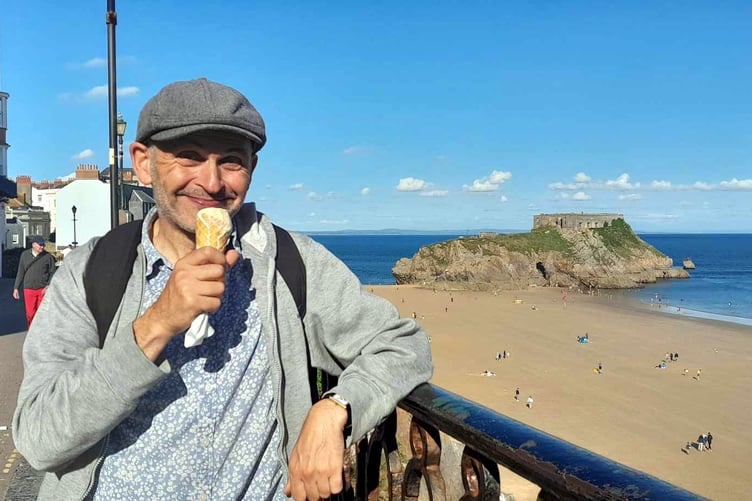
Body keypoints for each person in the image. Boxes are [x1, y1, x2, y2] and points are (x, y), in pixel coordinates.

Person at [13, 78, 433, 501]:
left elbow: (403, 346)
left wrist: (336, 408)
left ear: (253, 167)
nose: (212, 183)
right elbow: (38, 438)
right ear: (143, 163)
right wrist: (156, 324)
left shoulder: (286, 260)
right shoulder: (91, 271)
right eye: (189, 157)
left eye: (231, 161)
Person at [12, 236, 56, 328]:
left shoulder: (48, 257)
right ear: (33, 245)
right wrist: (16, 288)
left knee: (42, 314)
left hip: (43, 289)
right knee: (30, 314)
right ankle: (31, 332)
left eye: (43, 245)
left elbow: (53, 272)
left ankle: (40, 333)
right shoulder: (25, 255)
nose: (42, 247)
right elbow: (21, 272)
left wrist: (48, 285)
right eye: (40, 245)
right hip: (29, 289)